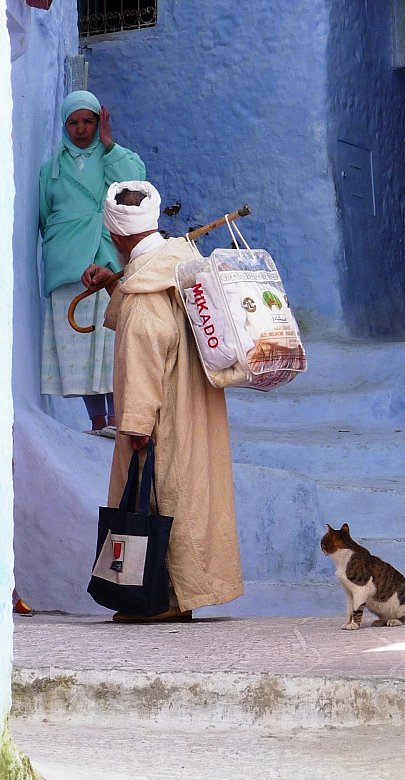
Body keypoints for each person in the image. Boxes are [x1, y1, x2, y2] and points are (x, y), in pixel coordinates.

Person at [81, 180, 244, 621]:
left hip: (165, 418)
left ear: (116, 236)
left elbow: (143, 357)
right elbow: (159, 322)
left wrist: (135, 426)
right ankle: (183, 593)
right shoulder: (180, 266)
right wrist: (117, 285)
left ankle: (166, 598)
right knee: (189, 500)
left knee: (162, 501)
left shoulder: (144, 298)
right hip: (197, 413)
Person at [39, 90, 145, 435]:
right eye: (73, 122)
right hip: (67, 262)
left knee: (110, 340)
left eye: (88, 122)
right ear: (64, 124)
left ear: (99, 123)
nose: (80, 130)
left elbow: (135, 183)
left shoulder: (115, 157)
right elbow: (44, 215)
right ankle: (96, 421)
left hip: (106, 259)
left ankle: (116, 418)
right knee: (79, 344)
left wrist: (109, 144)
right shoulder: (51, 167)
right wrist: (62, 240)